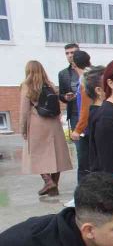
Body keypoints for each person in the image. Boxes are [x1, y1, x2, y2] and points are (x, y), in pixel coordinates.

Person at [19, 60, 72, 197]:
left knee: (35, 154)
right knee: (56, 155)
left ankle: (48, 182)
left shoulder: (27, 86)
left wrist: (23, 129)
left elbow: (24, 111)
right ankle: (54, 187)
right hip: (53, 124)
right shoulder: (50, 85)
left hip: (37, 123)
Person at [67, 50, 92, 184]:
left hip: (87, 129)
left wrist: (78, 129)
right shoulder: (93, 75)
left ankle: (81, 196)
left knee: (84, 166)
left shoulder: (86, 80)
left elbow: (86, 108)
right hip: (93, 126)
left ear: (74, 65)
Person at [57, 43, 80, 132]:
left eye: (72, 52)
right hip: (74, 114)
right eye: (67, 53)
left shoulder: (89, 71)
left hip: (91, 113)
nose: (69, 55)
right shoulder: (63, 74)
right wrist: (65, 97)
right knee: (80, 145)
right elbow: (61, 95)